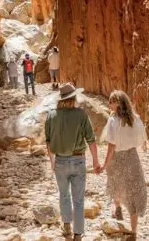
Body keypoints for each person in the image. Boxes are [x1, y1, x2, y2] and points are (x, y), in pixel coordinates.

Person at [45, 84, 101, 240]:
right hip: (78, 160)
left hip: (60, 161)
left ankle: (67, 226)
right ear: (73, 98)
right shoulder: (81, 115)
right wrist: (96, 162)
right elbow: (91, 140)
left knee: (64, 195)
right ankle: (77, 235)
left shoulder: (51, 115)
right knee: (78, 200)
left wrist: (52, 161)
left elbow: (48, 141)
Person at [99, 90, 148, 241]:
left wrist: (104, 164)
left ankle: (118, 208)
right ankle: (133, 232)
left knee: (116, 184)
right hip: (132, 157)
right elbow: (143, 136)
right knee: (133, 192)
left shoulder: (113, 120)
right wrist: (144, 145)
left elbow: (111, 145)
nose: (109, 104)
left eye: (112, 101)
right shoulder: (135, 118)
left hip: (117, 158)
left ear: (119, 103)